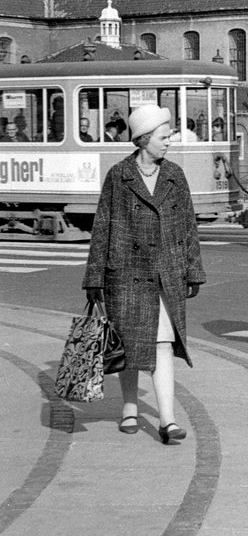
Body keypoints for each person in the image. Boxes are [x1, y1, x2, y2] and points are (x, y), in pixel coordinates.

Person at [81, 106, 204, 443]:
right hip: (126, 273)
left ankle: (167, 420)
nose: (169, 143)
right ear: (145, 139)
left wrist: (193, 270)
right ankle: (130, 407)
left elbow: (188, 226)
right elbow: (102, 226)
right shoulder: (119, 176)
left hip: (166, 273)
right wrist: (94, 278)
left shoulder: (175, 175)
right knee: (130, 345)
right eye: (164, 137)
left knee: (163, 344)